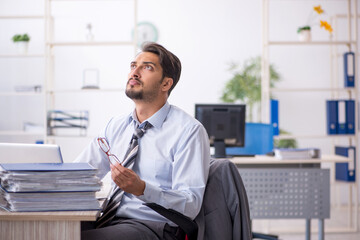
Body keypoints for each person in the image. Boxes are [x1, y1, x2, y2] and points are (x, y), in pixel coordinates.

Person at [75, 42, 210, 240]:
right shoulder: (116, 125)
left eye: (147, 67)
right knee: (49, 232)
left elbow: (190, 204)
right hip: (108, 218)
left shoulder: (188, 131)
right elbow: (80, 171)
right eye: (133, 65)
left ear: (166, 84)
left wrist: (143, 189)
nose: (135, 72)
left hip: (153, 225)